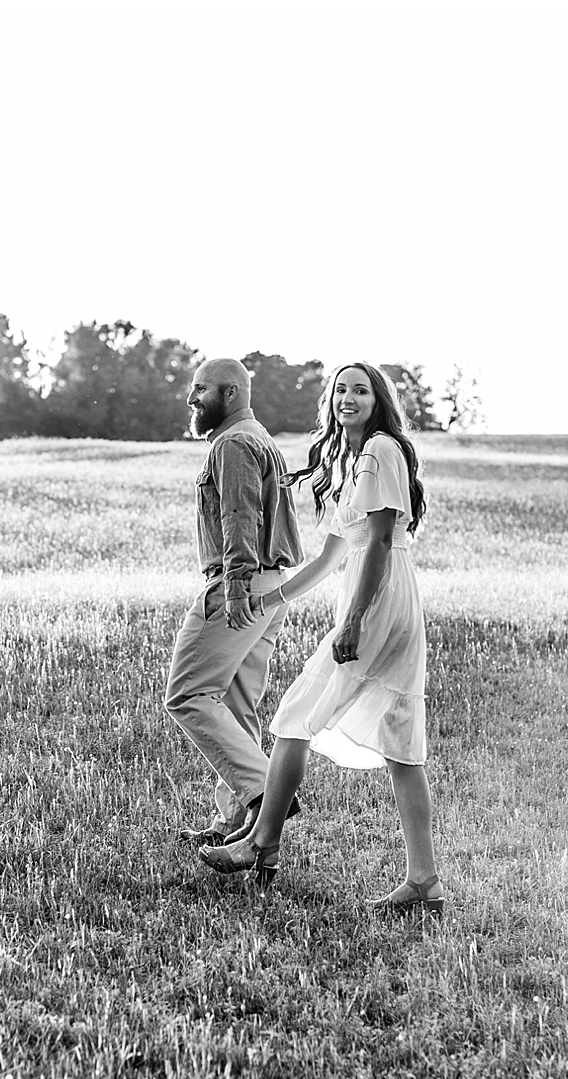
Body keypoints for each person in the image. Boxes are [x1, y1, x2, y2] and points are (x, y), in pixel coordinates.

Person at [199, 362, 442, 914]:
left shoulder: (380, 450)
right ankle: (424, 882)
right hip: (387, 601)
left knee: (293, 715)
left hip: (377, 604)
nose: (348, 398)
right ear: (330, 401)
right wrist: (268, 601)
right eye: (341, 390)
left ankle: (263, 842)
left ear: (378, 401)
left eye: (361, 390)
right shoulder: (353, 461)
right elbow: (331, 556)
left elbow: (379, 543)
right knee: (402, 744)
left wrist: (354, 621)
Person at [165, 357, 306, 848]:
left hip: (241, 586)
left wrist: (235, 585)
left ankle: (266, 795)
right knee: (236, 704)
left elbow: (238, 514)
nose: (191, 398)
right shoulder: (260, 437)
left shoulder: (233, 444)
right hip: (271, 587)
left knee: (187, 694)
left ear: (231, 393)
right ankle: (236, 824)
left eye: (201, 389)